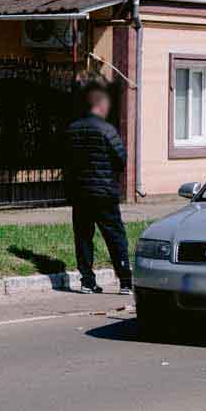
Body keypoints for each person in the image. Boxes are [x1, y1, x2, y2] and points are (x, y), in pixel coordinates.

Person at [63, 81, 132, 295]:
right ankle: (125, 282)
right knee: (115, 236)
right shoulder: (107, 130)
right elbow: (120, 159)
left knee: (83, 236)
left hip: (80, 193)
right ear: (101, 106)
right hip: (104, 193)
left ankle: (87, 280)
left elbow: (65, 161)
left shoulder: (72, 130)